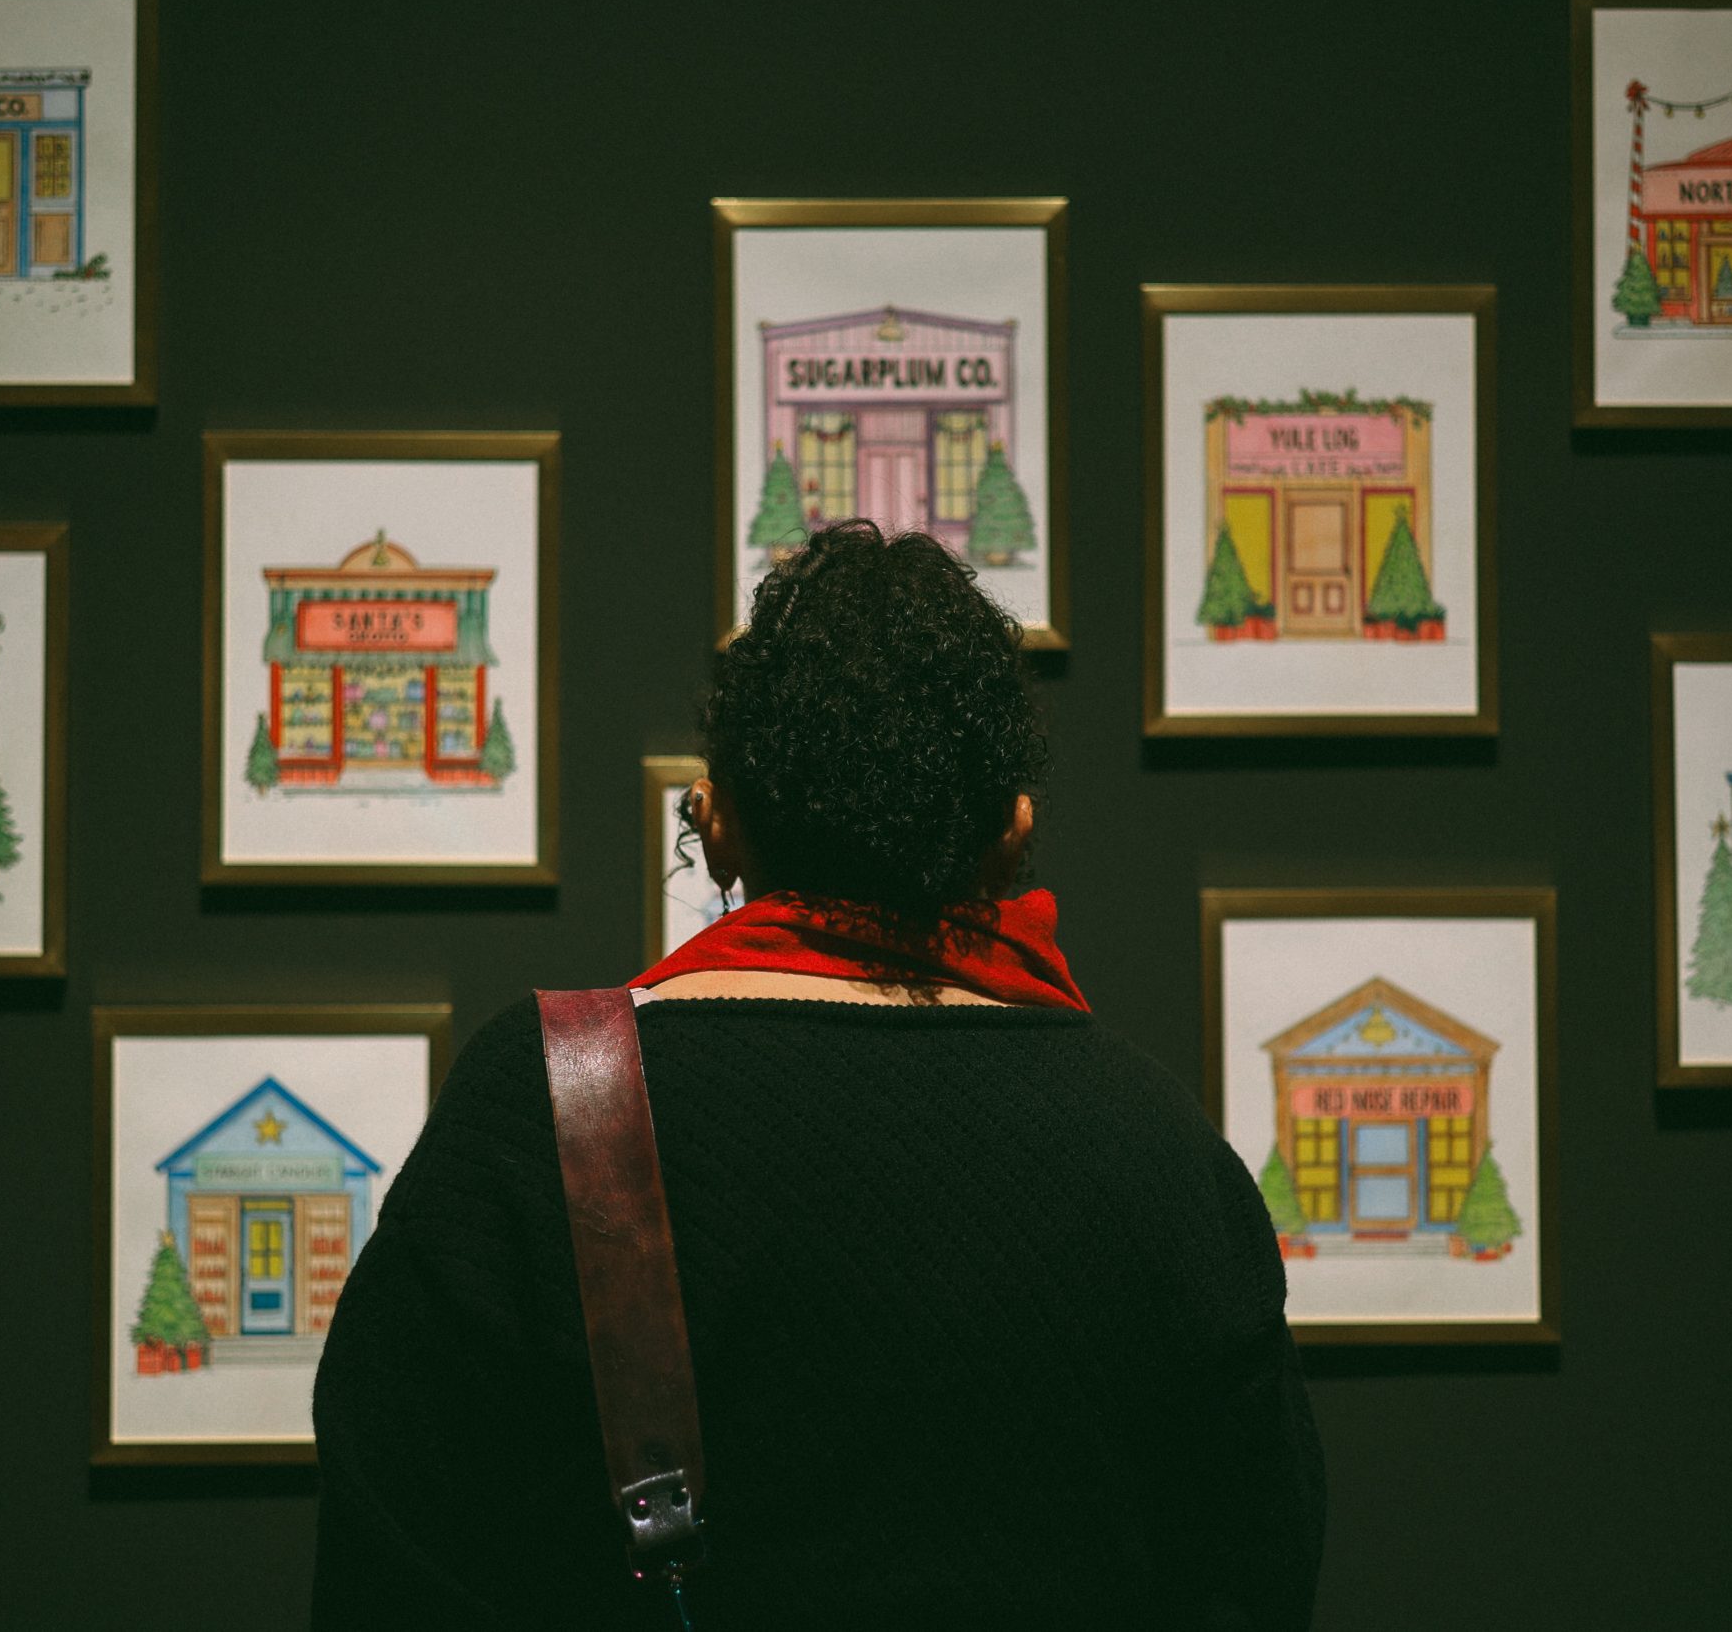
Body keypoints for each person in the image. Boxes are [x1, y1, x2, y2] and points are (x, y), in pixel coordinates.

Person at [312, 522, 1325, 1627]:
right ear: (1012, 833)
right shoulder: (1164, 1150)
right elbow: (1257, 1577)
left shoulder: (545, 1104)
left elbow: (389, 1576)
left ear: (716, 823)